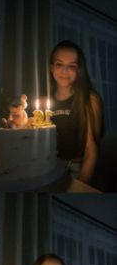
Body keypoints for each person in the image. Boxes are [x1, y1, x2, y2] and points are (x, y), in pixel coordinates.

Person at [49, 40, 104, 185]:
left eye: (71, 66)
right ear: (51, 68)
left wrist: (82, 183)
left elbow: (91, 148)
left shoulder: (89, 99)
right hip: (50, 167)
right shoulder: (44, 100)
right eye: (59, 64)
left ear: (79, 70)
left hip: (77, 167)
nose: (64, 71)